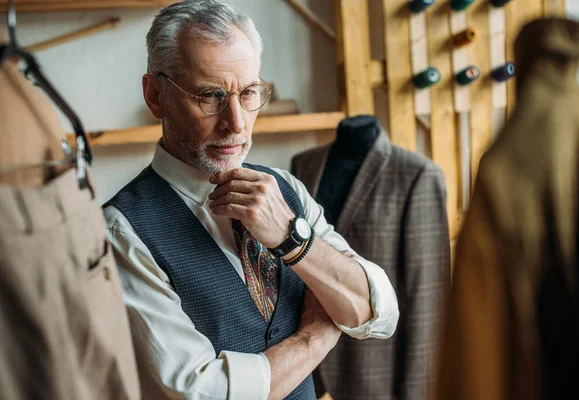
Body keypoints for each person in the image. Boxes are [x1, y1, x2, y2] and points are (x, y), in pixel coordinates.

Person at [103, 1, 399, 399]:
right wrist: (313, 339)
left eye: (248, 92)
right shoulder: (120, 230)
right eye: (210, 96)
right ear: (155, 95)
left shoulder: (284, 188)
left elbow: (378, 313)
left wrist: (295, 242)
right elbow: (203, 392)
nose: (237, 123)